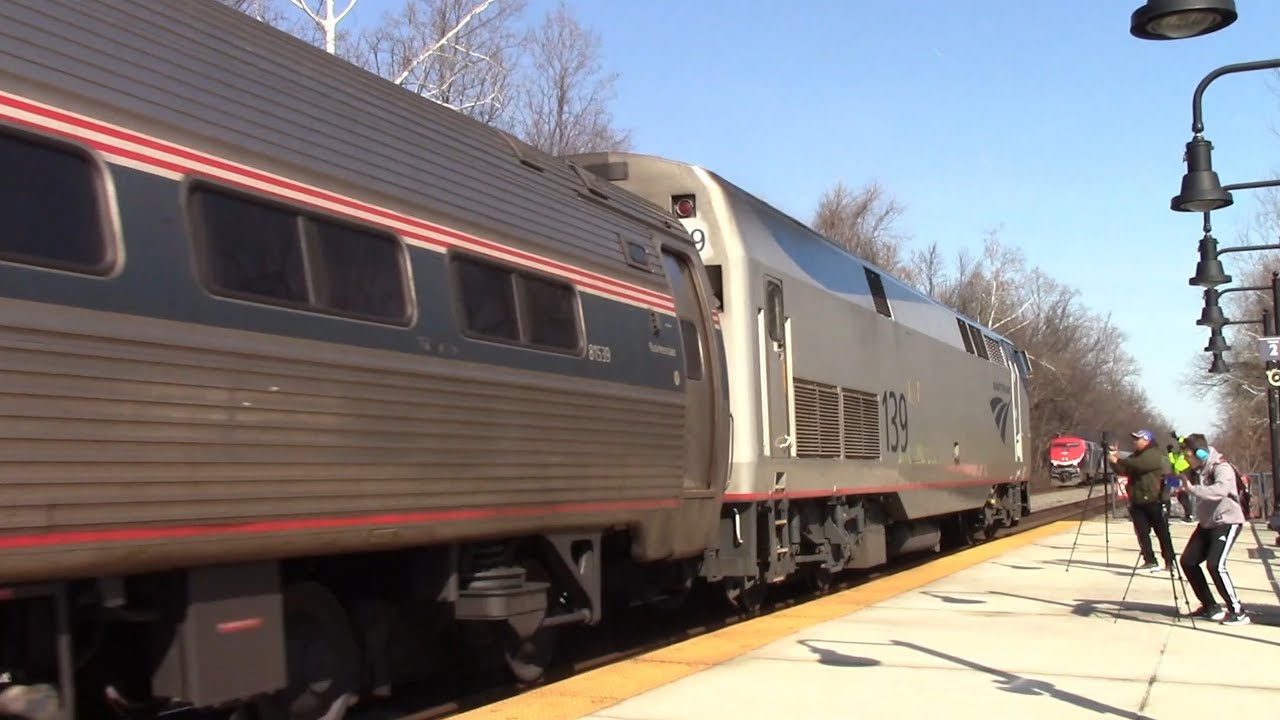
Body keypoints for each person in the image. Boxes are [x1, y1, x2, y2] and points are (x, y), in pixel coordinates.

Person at [1178, 433, 1249, 625]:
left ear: (1200, 454)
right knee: (1188, 562)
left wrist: (1192, 489)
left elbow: (1220, 491)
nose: (1186, 459)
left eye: (1188, 455)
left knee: (1215, 565)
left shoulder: (1222, 468)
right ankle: (1210, 606)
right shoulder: (1199, 469)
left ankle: (1238, 611)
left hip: (1227, 521)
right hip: (1207, 523)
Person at [1108, 429, 1176, 573]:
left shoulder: (1154, 454)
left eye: (1137, 439)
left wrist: (1120, 459)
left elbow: (1140, 465)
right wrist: (1113, 460)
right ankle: (1150, 560)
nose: (1134, 442)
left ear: (1146, 440)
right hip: (1138, 500)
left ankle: (1169, 561)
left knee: (1162, 533)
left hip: (1154, 500)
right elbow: (1124, 470)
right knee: (1142, 533)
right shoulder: (1135, 457)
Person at [1166, 440, 1194, 523]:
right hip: (1176, 475)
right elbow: (1172, 462)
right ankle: (1167, 513)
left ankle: (1189, 514)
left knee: (1183, 495)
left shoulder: (1186, 455)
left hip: (1184, 475)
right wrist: (1170, 452)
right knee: (1178, 495)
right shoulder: (1177, 455)